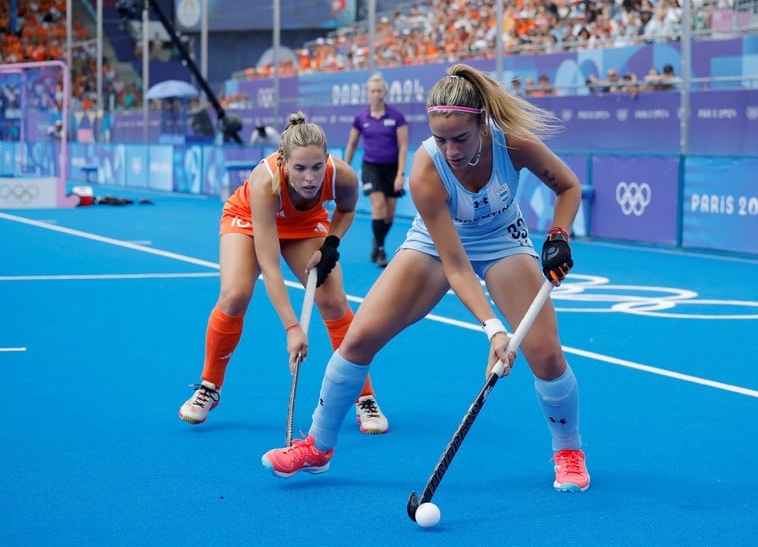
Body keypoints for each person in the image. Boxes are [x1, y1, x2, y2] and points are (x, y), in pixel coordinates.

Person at [262, 64, 590, 493]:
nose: (451, 150)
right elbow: (454, 265)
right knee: (358, 338)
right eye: (440, 139)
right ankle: (317, 447)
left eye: (460, 138)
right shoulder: (426, 168)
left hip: (502, 241)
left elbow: (568, 186)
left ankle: (568, 450)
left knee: (545, 354)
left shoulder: (513, 141)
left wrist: (559, 235)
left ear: (481, 123)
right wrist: (493, 330)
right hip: (436, 245)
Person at [178, 112, 389, 434]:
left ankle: (365, 397)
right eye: (300, 168)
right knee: (235, 294)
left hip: (305, 226)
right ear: (283, 163)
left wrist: (331, 243)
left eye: (317, 167)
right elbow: (270, 265)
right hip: (248, 220)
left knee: (333, 301)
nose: (309, 178)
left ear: (327, 160)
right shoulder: (265, 181)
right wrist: (292, 327)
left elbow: (346, 210)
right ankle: (209, 386)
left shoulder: (342, 176)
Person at [344, 73, 409, 267]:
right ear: (367, 94)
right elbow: (352, 144)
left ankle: (377, 241)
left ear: (385, 92)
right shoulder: (361, 118)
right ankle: (380, 250)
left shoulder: (397, 116)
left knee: (389, 214)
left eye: (379, 90)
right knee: (378, 205)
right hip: (371, 167)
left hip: (392, 169)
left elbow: (403, 146)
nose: (376, 94)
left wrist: (400, 174)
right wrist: (345, 167)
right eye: (372, 91)